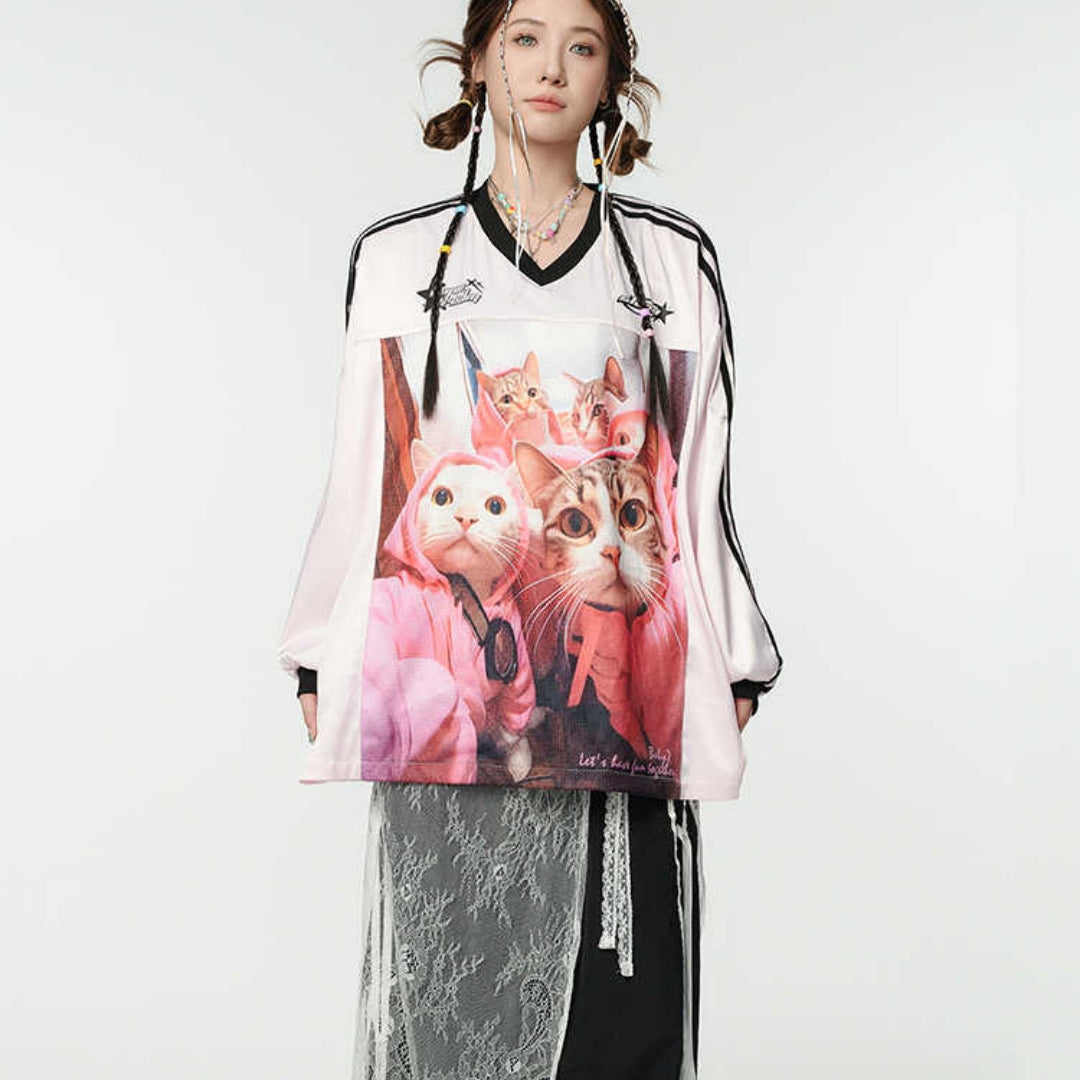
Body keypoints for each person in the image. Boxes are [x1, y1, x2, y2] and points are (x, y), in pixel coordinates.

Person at [276, 1, 783, 1076]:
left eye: (582, 46)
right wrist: (318, 646)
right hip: (454, 722)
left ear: (611, 81)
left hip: (616, 724)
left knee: (621, 1022)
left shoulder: (669, 264)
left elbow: (700, 477)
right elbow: (362, 467)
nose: (551, 66)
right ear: (477, 62)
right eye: (524, 38)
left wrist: (737, 658)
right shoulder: (399, 259)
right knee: (447, 1014)